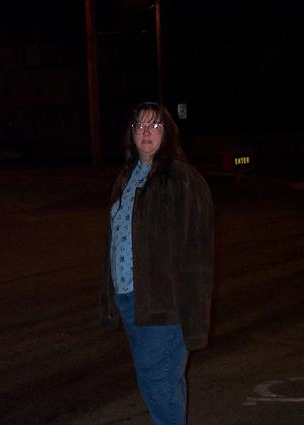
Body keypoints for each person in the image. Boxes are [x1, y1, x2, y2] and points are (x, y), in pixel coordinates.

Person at [99, 101, 215, 425]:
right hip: (130, 299)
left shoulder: (181, 179)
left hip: (164, 305)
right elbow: (115, 239)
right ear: (131, 134)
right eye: (139, 126)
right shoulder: (127, 177)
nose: (146, 132)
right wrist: (110, 297)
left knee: (160, 382)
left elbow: (197, 252)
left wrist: (194, 312)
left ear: (168, 133)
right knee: (153, 382)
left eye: (154, 125)